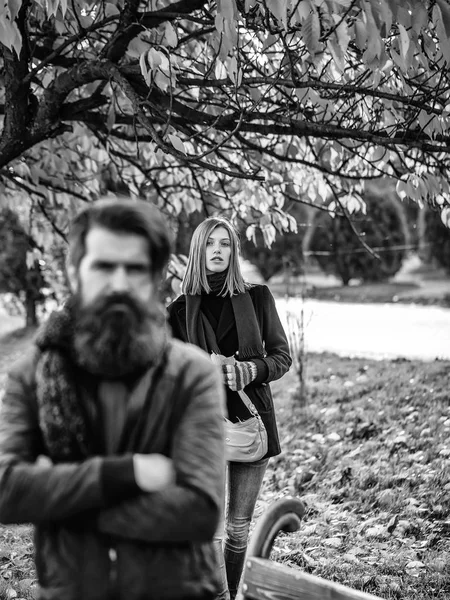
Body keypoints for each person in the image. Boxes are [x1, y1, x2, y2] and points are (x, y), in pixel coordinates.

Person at [0, 198, 226, 600]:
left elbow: (200, 511)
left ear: (156, 276)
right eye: (104, 266)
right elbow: (6, 490)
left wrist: (61, 499)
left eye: (135, 269)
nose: (119, 283)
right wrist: (125, 475)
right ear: (74, 271)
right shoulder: (30, 375)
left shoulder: (193, 374)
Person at [167, 216, 292, 600]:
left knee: (238, 527)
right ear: (198, 251)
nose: (217, 250)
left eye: (225, 244)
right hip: (201, 427)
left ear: (233, 251)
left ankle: (234, 591)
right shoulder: (177, 312)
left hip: (250, 421)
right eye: (210, 244)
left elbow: (282, 357)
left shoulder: (257, 298)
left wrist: (251, 369)